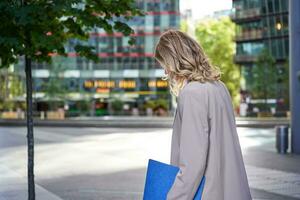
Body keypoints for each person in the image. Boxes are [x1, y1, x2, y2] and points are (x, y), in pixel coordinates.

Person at [154, 29, 252, 200]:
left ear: (175, 60)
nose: (166, 72)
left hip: (208, 192)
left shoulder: (192, 94)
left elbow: (192, 164)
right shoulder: (219, 87)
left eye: (165, 65)